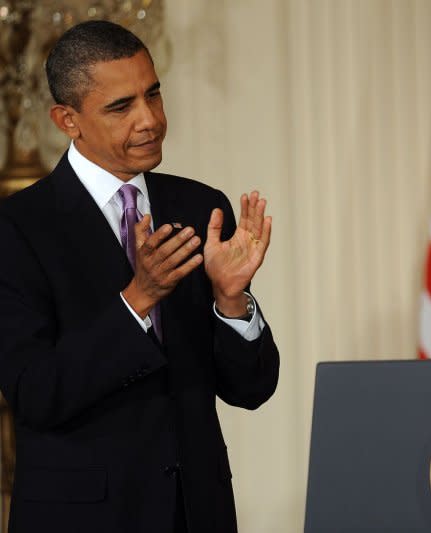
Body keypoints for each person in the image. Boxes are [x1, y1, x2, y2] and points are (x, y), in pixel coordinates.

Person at [0, 21, 279, 532]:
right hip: (86, 519)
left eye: (153, 94)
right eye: (120, 107)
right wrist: (138, 299)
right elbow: (35, 393)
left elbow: (252, 389)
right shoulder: (17, 229)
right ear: (68, 120)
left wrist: (232, 303)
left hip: (198, 514)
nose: (150, 119)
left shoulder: (201, 208)